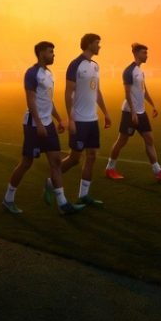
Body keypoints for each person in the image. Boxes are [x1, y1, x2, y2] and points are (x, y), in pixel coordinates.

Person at [2, 42, 84, 216]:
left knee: (55, 162)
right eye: (50, 52)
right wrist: (39, 123)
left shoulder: (49, 73)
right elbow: (30, 101)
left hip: (48, 125)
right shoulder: (32, 74)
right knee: (26, 163)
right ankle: (8, 199)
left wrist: (60, 119)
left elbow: (48, 101)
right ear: (40, 54)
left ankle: (62, 204)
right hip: (34, 125)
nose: (53, 54)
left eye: (53, 51)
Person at [52, 33, 111, 208]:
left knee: (92, 156)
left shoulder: (95, 66)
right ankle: (51, 180)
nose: (99, 46)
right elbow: (67, 93)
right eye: (97, 43)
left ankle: (84, 195)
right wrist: (71, 119)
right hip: (79, 120)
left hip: (92, 120)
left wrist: (105, 112)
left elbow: (97, 91)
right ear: (89, 44)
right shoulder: (75, 65)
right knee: (75, 159)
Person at [105, 43, 161, 182]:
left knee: (149, 139)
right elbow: (127, 93)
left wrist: (153, 105)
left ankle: (158, 172)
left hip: (141, 112)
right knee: (121, 141)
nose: (146, 55)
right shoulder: (128, 71)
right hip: (129, 112)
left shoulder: (140, 71)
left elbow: (144, 90)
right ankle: (109, 168)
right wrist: (132, 113)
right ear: (137, 53)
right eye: (144, 53)